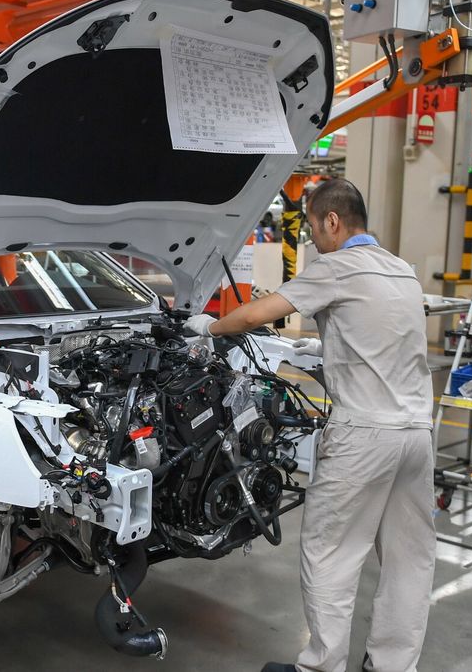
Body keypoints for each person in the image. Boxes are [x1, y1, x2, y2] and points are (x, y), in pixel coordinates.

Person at [184, 179, 436, 672]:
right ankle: (391, 665)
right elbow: (385, 341)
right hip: (416, 436)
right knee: (410, 560)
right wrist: (320, 352)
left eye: (314, 228)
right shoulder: (400, 269)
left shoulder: (338, 267)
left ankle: (320, 667)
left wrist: (207, 328)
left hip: (363, 437)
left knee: (331, 554)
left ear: (333, 221)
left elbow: (261, 312)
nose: (312, 240)